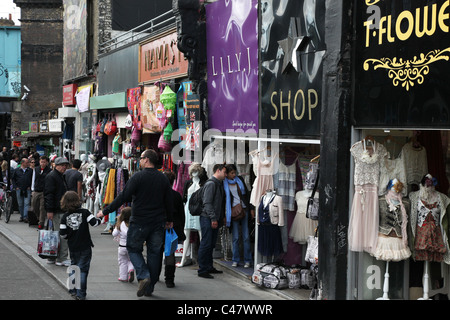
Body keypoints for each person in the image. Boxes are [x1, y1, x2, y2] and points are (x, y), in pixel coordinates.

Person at [97, 149, 174, 297]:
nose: (139, 160)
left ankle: (144, 275)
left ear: (146, 160)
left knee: (132, 248)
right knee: (154, 253)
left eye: (141, 158)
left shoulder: (137, 177)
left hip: (139, 221)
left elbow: (123, 196)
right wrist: (169, 219)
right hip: (158, 222)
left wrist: (105, 211)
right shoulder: (163, 178)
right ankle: (149, 287)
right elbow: (168, 201)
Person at [59, 191, 101, 300]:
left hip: (73, 246)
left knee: (74, 267)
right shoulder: (85, 212)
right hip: (85, 246)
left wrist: (69, 236)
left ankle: (73, 289)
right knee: (83, 269)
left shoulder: (65, 217)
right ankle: (81, 294)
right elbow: (94, 223)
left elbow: (63, 234)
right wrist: (100, 218)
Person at [197, 163, 226, 279]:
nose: (225, 174)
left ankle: (208, 267)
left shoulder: (219, 184)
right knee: (206, 243)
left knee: (211, 244)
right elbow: (207, 203)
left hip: (213, 218)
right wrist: (213, 218)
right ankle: (202, 269)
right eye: (224, 172)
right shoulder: (211, 184)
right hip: (207, 218)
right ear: (218, 171)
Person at [224, 164, 253, 268]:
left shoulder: (239, 179)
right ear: (227, 174)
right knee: (235, 237)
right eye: (232, 173)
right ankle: (235, 259)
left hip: (244, 209)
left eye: (235, 172)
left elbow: (247, 194)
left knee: (246, 236)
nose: (234, 175)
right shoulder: (224, 183)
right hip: (233, 212)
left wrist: (251, 208)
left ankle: (247, 260)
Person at [160, 170, 186, 288]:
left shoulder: (158, 195)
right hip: (173, 228)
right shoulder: (176, 195)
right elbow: (182, 214)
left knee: (156, 252)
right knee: (170, 253)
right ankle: (169, 280)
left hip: (159, 227)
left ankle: (154, 275)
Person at [44, 156, 70, 266]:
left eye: (66, 165)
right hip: (57, 210)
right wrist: (49, 210)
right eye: (62, 165)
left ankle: (52, 256)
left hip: (57, 209)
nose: (64, 167)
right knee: (61, 234)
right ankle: (61, 258)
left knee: (54, 234)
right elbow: (49, 194)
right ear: (56, 165)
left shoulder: (58, 176)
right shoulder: (53, 176)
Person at [112, 207, 135, 283]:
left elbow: (114, 234)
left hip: (122, 247)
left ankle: (123, 277)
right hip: (131, 246)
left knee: (122, 261)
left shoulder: (120, 224)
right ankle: (131, 269)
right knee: (131, 260)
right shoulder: (133, 224)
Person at [32, 156, 51, 229]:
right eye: (41, 162)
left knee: (42, 207)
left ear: (47, 162)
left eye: (44, 162)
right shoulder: (36, 169)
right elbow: (33, 179)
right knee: (34, 206)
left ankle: (41, 222)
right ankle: (38, 217)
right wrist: (32, 189)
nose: (42, 163)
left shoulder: (49, 171)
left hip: (44, 191)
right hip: (36, 190)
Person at [11, 158, 33, 222]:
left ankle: (25, 217)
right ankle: (22, 215)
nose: (28, 164)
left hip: (27, 189)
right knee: (20, 204)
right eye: (27, 163)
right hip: (19, 189)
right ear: (22, 163)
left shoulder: (30, 170)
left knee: (26, 203)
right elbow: (13, 179)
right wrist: (16, 187)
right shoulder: (17, 170)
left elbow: (32, 179)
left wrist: (30, 186)